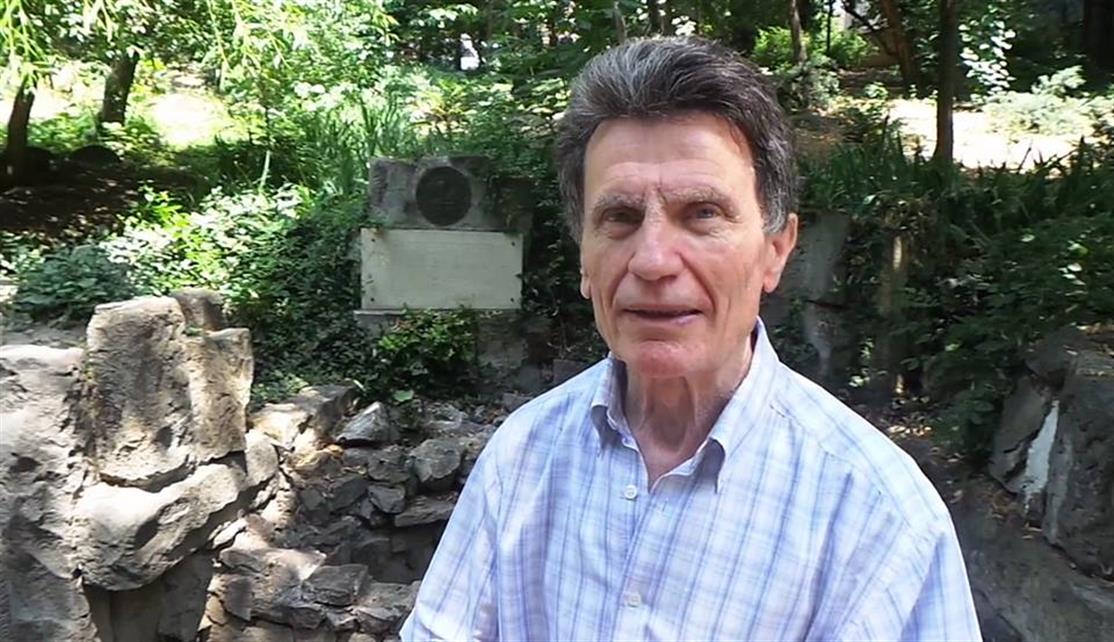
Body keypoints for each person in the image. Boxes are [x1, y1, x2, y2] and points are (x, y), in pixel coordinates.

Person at [401, 36, 982, 641]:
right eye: (620, 217)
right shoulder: (522, 455)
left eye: (702, 213)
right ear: (584, 257)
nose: (653, 261)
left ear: (775, 250)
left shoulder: (878, 517)